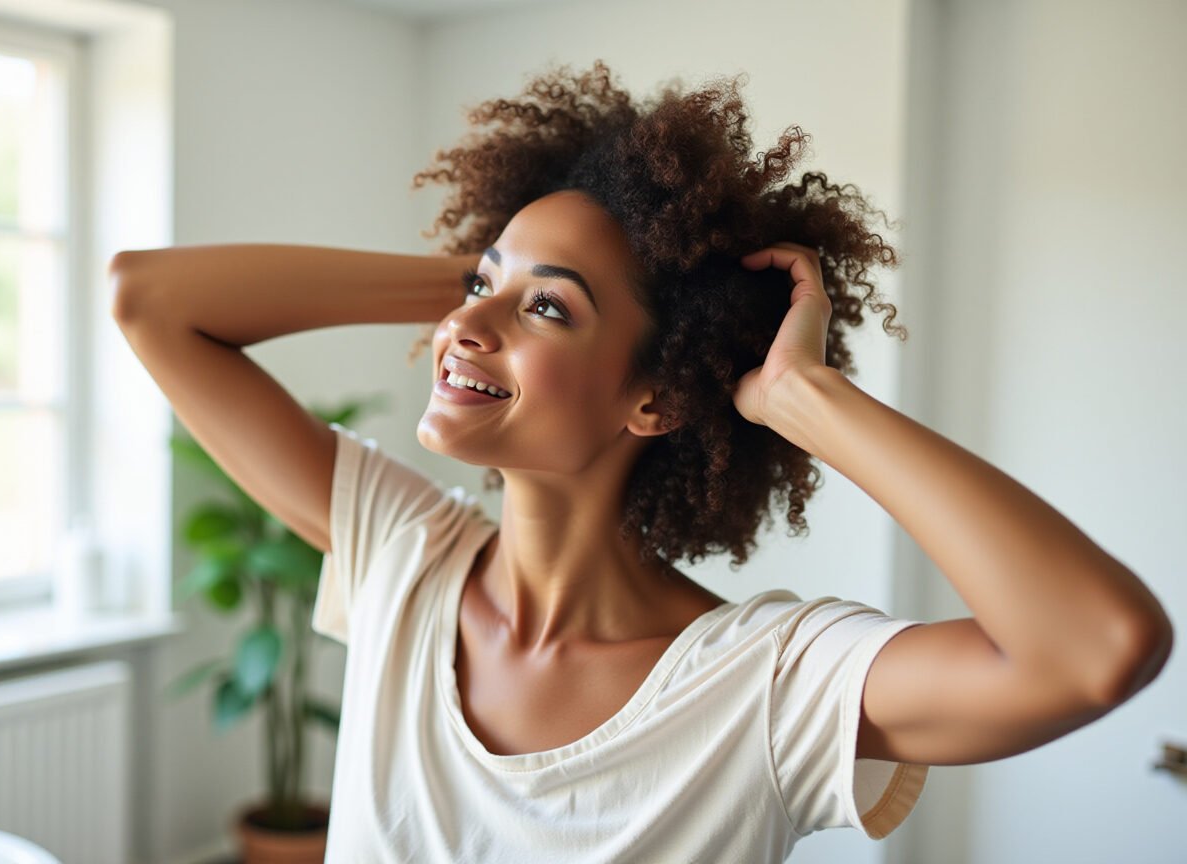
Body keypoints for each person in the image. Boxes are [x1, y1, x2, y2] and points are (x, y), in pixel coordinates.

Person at [108, 60, 1172, 863]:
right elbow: (148, 300)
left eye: (549, 310)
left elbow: (1097, 646)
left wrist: (804, 397)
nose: (463, 324)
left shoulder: (765, 684)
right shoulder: (404, 559)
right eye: (477, 285)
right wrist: (491, 281)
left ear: (655, 397)